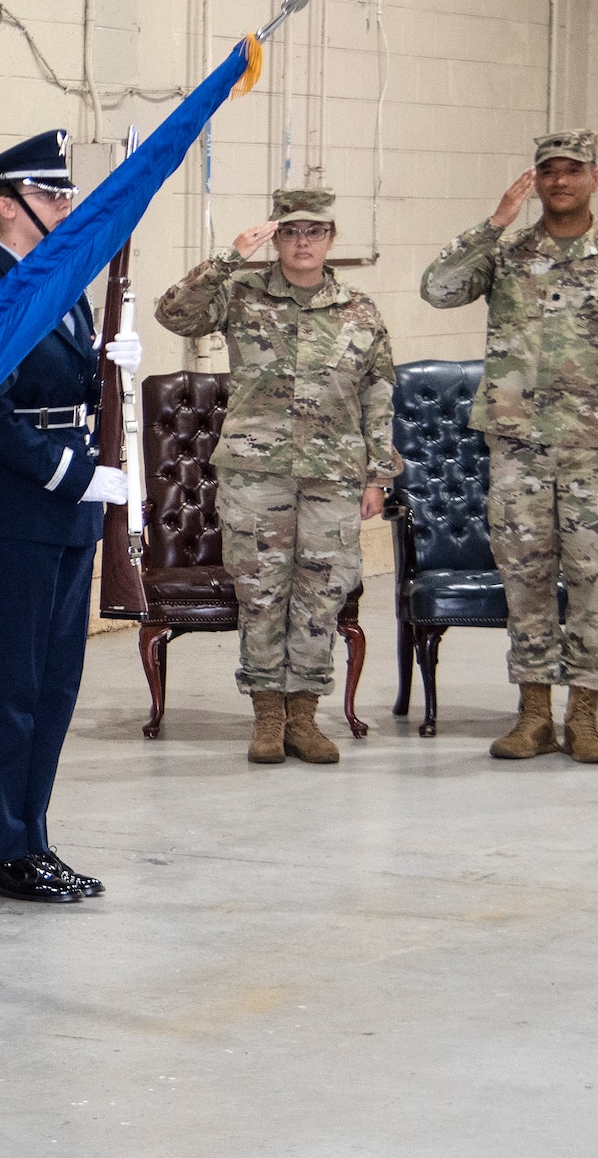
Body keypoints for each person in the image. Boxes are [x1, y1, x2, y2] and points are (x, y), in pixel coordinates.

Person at [421, 130, 598, 764]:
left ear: (596, 178)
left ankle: (586, 714)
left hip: (597, 450)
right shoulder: (506, 255)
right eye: (549, 172)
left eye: (573, 171)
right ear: (536, 181)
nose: (560, 181)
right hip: (517, 448)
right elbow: (437, 287)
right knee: (525, 580)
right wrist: (492, 224)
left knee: (596, 580)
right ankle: (534, 712)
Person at [0, 131, 140, 903]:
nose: (67, 206)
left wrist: (115, 372)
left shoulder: (62, 287)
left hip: (68, 513)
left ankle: (30, 833)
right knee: (10, 684)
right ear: (9, 204)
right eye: (53, 194)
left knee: (58, 681)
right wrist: (75, 473)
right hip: (16, 506)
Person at [156, 188, 398, 764]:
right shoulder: (242, 293)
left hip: (334, 473)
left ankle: (305, 717)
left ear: (331, 238)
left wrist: (378, 475)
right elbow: (174, 314)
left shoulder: (359, 309)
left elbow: (379, 391)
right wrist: (228, 259)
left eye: (314, 232)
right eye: (291, 232)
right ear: (276, 238)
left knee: (321, 593)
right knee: (261, 592)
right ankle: (267, 717)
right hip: (255, 470)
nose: (303, 242)